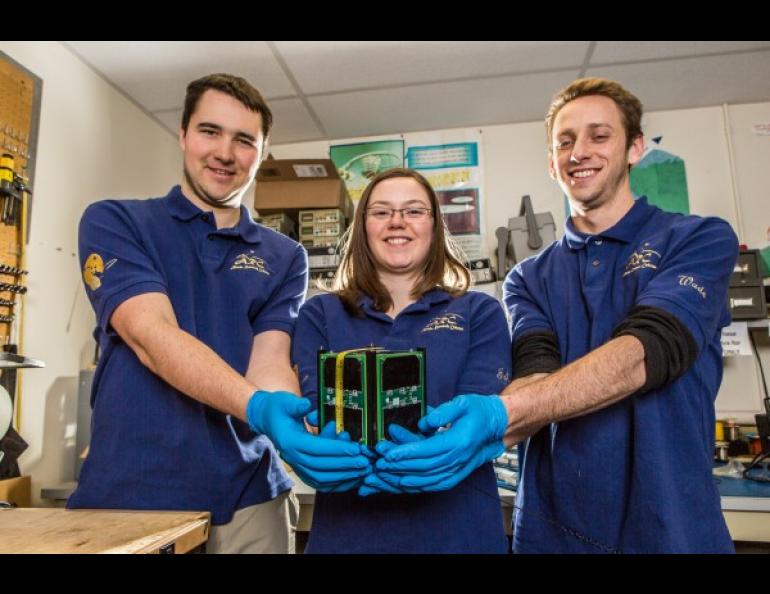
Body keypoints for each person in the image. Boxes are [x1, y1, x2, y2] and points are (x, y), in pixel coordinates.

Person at [367, 78, 738, 554]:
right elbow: (534, 371)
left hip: (673, 523)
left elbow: (645, 354)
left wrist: (501, 414)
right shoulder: (528, 277)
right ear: (551, 162)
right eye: (565, 141)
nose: (579, 152)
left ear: (635, 148)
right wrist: (459, 438)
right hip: (555, 529)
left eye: (599, 136)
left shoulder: (697, 239)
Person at [68, 73, 370, 553]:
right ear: (184, 134)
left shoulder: (285, 255)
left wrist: (294, 427)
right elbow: (150, 334)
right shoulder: (116, 221)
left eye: (244, 140)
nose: (225, 153)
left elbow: (268, 361)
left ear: (261, 153)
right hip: (132, 489)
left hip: (250, 495)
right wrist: (257, 408)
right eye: (210, 131)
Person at [291, 168, 511, 553]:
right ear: (362, 227)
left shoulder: (480, 312)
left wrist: (439, 445)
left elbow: (475, 413)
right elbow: (314, 418)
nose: (397, 222)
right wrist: (309, 440)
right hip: (348, 536)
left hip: (457, 534)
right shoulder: (320, 314)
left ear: (434, 225)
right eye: (381, 211)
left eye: (413, 211)